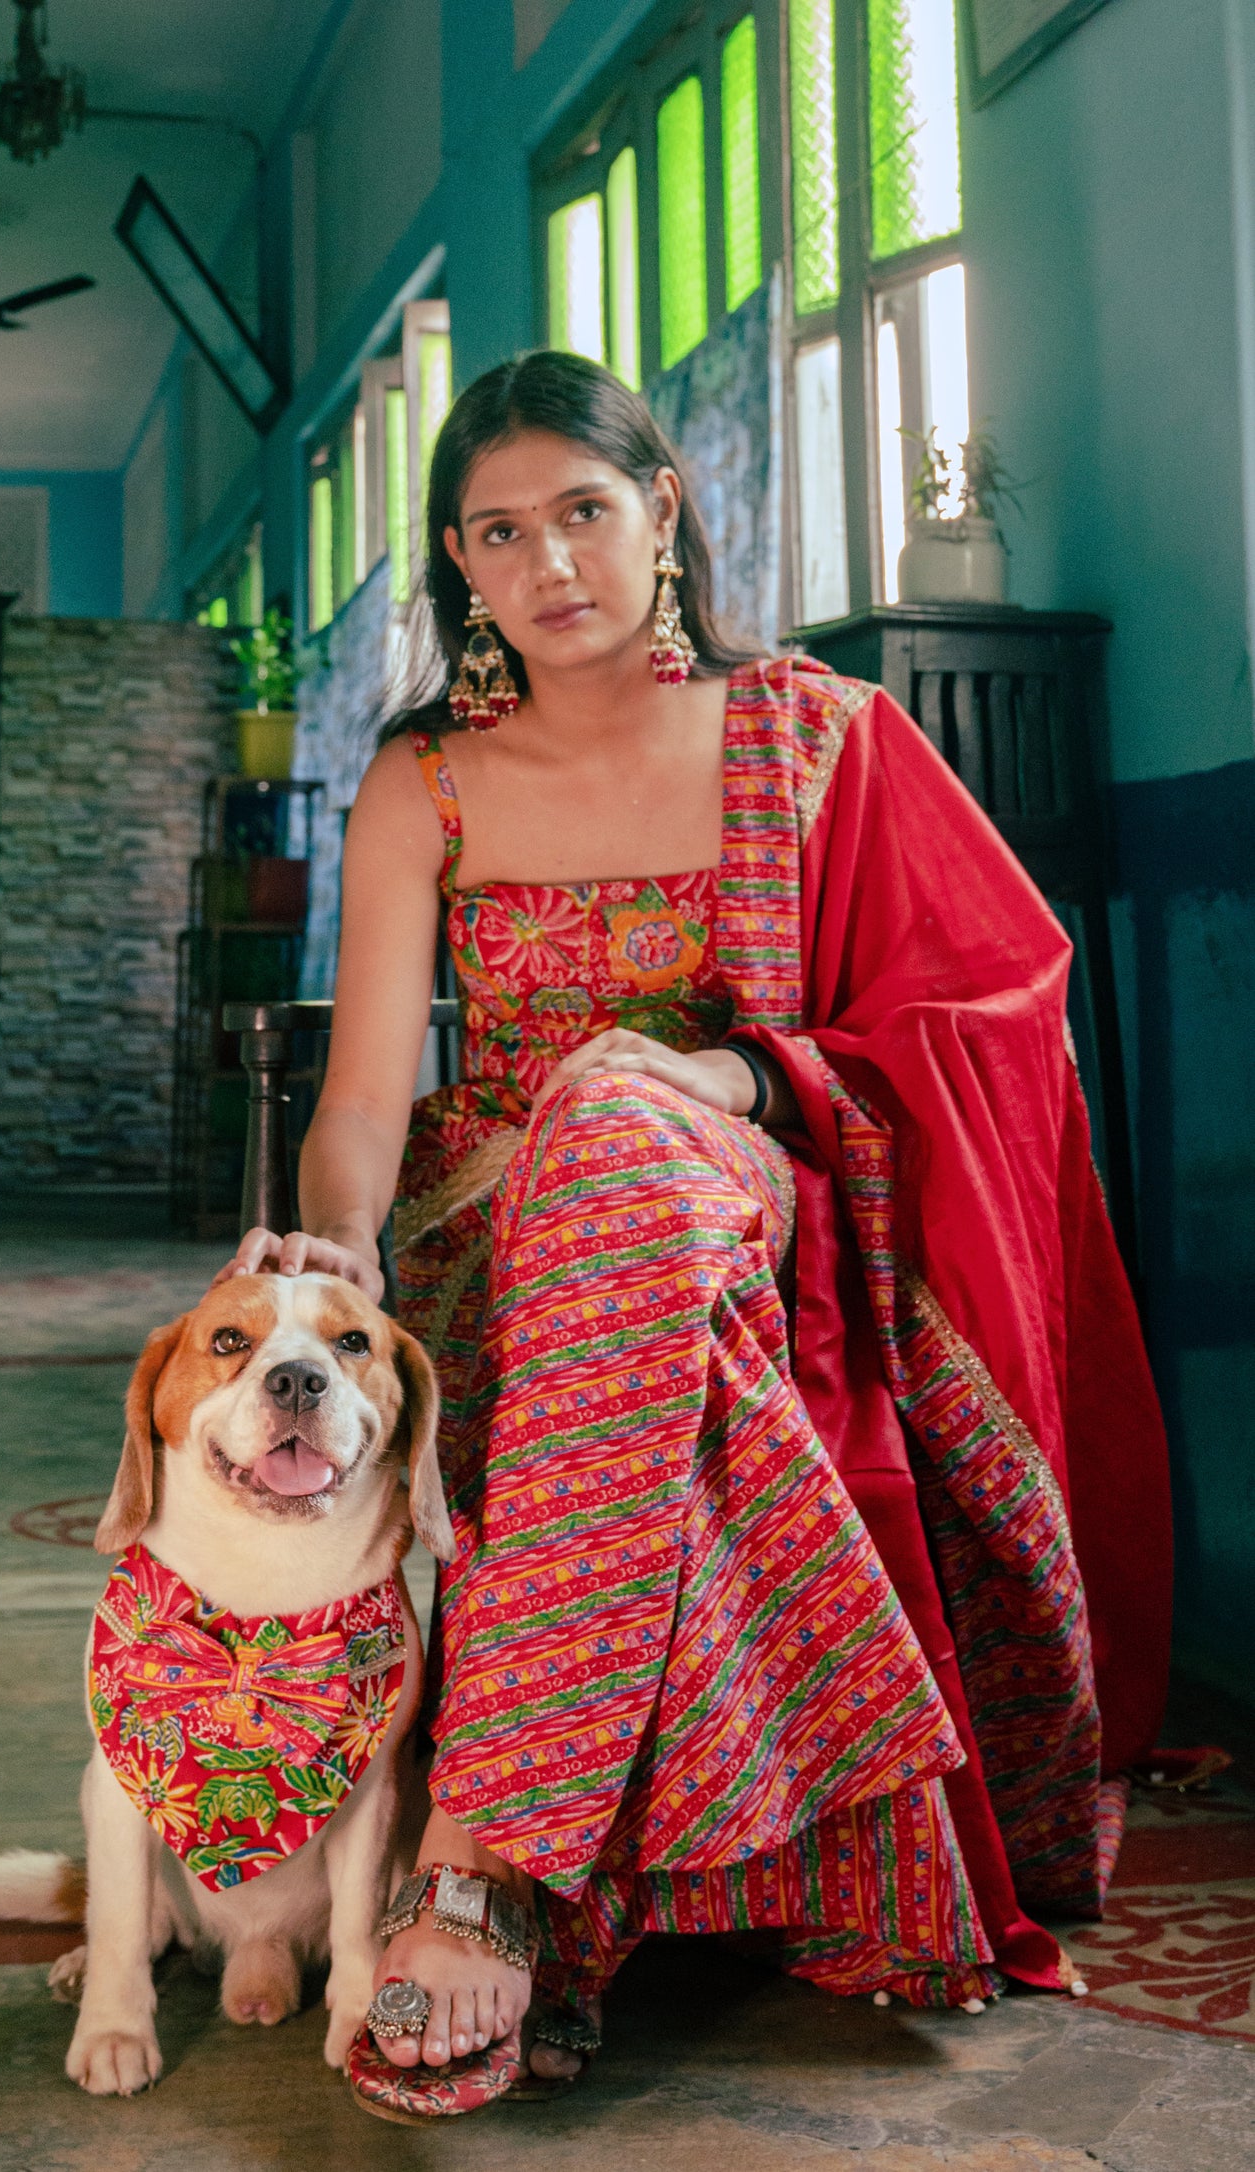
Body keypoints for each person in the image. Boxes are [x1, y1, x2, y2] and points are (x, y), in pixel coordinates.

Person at [221, 351, 1171, 2122]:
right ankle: (621, 1873)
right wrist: (339, 1247)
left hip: (758, 1176)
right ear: (457, 561)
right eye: (500, 532)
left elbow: (988, 1001)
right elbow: (361, 1100)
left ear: (662, 510)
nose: (549, 561)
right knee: (599, 1176)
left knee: (619, 1131)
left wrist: (724, 1075)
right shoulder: (426, 779)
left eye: (584, 510)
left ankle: (490, 1858)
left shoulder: (816, 737)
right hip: (498, 1223)